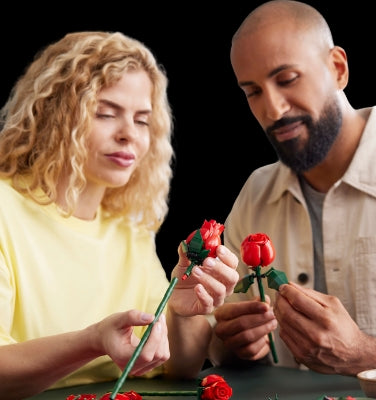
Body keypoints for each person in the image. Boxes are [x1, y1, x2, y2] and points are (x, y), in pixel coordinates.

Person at [0, 31, 239, 399]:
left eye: (142, 120)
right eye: (106, 114)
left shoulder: (128, 227)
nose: (129, 134)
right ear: (55, 116)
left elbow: (181, 368)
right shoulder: (5, 209)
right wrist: (93, 341)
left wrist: (184, 310)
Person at [208, 0, 376, 376]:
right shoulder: (255, 194)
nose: (273, 109)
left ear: (338, 68)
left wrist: (364, 354)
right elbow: (219, 337)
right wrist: (232, 345)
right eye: (253, 92)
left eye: (287, 79)